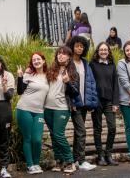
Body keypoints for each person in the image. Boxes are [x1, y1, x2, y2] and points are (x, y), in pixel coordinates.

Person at [45, 45, 80, 174]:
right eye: (59, 53)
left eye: (64, 53)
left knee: (59, 134)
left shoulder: (72, 73)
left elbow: (76, 92)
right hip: (48, 108)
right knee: (54, 136)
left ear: (69, 57)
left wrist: (68, 82)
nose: (60, 55)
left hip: (62, 108)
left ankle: (70, 161)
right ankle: (59, 161)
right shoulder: (51, 70)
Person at [67, 36, 99, 171]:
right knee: (81, 131)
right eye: (77, 46)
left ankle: (76, 160)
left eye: (82, 46)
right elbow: (67, 86)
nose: (79, 48)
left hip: (84, 103)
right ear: (72, 46)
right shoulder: (69, 63)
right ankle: (81, 160)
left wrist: (91, 103)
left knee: (78, 132)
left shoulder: (85, 63)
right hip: (75, 103)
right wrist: (71, 102)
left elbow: (91, 84)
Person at [16, 52, 49, 175]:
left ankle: (36, 163)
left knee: (37, 140)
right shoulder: (28, 74)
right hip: (24, 109)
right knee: (28, 138)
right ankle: (30, 165)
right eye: (34, 60)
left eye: (38, 59)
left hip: (39, 111)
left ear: (43, 61)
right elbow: (20, 91)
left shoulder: (48, 76)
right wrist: (20, 76)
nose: (36, 61)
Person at [90, 42, 119, 166]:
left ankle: (108, 154)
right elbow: (89, 83)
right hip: (96, 101)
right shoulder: (92, 64)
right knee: (98, 129)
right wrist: (90, 102)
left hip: (109, 101)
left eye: (105, 50)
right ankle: (100, 155)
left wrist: (115, 102)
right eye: (101, 50)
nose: (103, 52)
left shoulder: (112, 65)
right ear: (98, 51)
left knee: (112, 127)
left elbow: (115, 85)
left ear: (108, 52)